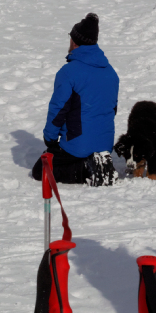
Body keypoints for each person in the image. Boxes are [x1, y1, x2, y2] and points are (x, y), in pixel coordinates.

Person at [32, 14, 119, 185]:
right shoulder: (110, 72)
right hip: (105, 146)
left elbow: (58, 110)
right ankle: (98, 162)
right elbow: (112, 109)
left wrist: (50, 139)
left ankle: (86, 170)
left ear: (74, 41)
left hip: (77, 146)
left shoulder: (69, 72)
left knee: (40, 170)